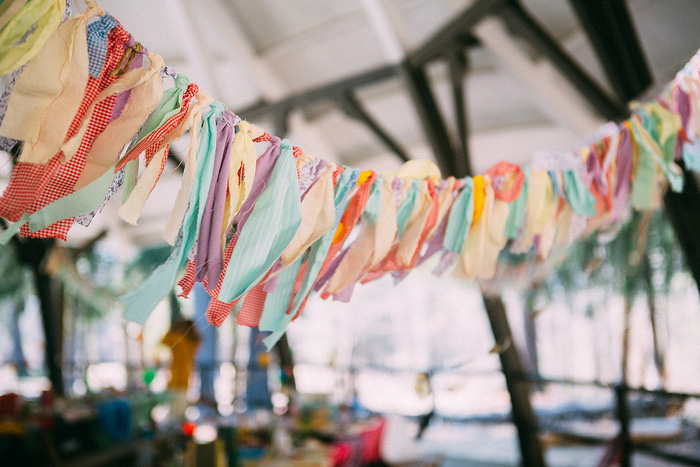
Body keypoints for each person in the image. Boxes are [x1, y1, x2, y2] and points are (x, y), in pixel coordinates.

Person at [161, 318, 201, 420]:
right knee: (181, 408)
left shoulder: (179, 339)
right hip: (185, 377)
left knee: (174, 411)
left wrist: (173, 328)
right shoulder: (193, 341)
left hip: (176, 378)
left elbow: (164, 340)